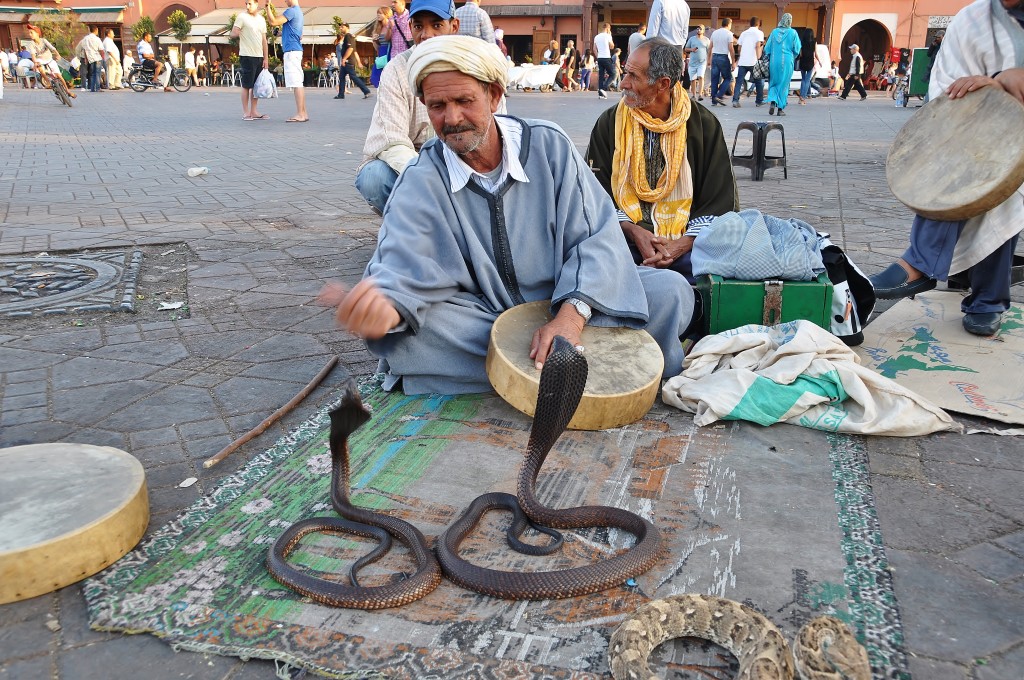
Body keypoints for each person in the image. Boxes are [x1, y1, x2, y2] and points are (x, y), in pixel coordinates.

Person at [324, 34, 694, 394]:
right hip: (485, 318)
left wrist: (570, 318)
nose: (452, 118)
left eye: (465, 101)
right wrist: (383, 309)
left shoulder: (550, 146)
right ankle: (577, 369)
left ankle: (521, 368)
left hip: (568, 299)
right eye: (437, 106)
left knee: (670, 292)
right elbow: (399, 266)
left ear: (495, 96)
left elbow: (596, 237)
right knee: (412, 336)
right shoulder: (419, 180)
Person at [869, 0, 1024, 337]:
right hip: (979, 134)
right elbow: (947, 86)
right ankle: (934, 270)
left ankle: (984, 297)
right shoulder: (974, 18)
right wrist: (984, 93)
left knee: (1006, 187)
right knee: (967, 170)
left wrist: (1010, 81)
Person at [585, 36, 739, 283]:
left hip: (687, 244)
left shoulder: (703, 125)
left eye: (633, 77)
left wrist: (681, 244)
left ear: (662, 84)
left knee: (721, 265)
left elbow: (719, 201)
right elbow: (593, 195)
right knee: (592, 260)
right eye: (625, 73)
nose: (623, 83)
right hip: (623, 239)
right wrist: (634, 231)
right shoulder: (610, 122)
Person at [354, 0, 475, 214]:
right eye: (419, 26)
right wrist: (428, 177)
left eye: (437, 25)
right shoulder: (397, 70)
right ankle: (415, 227)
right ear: (410, 28)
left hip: (463, 158)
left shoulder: (473, 66)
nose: (426, 35)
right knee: (374, 177)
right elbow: (392, 141)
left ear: (454, 26)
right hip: (414, 164)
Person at [268, 0, 308, 122]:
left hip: (291, 51)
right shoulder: (299, 13)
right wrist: (281, 33)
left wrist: (267, 6)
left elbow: (273, 21)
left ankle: (300, 114)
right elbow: (298, 35)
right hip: (295, 50)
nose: (285, 1)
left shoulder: (291, 11)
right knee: (298, 82)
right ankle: (304, 113)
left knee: (296, 83)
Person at [231, 0, 269, 120]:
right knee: (247, 85)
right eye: (246, 3)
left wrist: (266, 58)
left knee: (256, 86)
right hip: (247, 55)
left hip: (258, 56)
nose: (247, 6)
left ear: (256, 4)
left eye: (250, 4)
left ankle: (254, 111)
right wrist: (235, 33)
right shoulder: (242, 17)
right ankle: (246, 112)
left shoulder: (261, 19)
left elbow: (264, 40)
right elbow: (233, 33)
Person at [763, 14, 801, 115]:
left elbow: (767, 48)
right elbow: (797, 49)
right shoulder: (793, 33)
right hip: (787, 61)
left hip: (774, 61)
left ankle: (772, 101)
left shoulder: (774, 32)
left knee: (774, 82)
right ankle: (780, 109)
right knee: (784, 84)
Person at [26, 24, 74, 96]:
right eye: (29, 33)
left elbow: (52, 48)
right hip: (40, 60)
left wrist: (58, 55)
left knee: (59, 76)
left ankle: (67, 91)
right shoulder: (31, 44)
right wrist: (35, 62)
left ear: (37, 33)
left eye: (31, 32)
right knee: (40, 68)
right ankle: (47, 81)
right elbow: (33, 55)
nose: (30, 34)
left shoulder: (44, 41)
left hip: (49, 59)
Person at [731, 17, 764, 107]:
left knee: (739, 82)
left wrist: (742, 56)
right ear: (758, 24)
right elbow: (758, 46)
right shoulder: (759, 33)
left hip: (743, 61)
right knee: (758, 81)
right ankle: (759, 101)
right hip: (753, 61)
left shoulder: (744, 33)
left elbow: (739, 48)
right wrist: (759, 59)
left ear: (750, 24)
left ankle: (735, 100)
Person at [335, 22, 372, 99]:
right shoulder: (348, 37)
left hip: (348, 61)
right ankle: (341, 94)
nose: (341, 28)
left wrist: (344, 59)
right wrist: (359, 62)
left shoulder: (348, 36)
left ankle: (366, 91)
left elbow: (351, 49)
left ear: (347, 28)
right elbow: (355, 51)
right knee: (341, 77)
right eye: (340, 27)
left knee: (353, 77)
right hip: (346, 61)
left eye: (342, 27)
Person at [708, 18, 734, 105]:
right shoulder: (729, 34)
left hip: (714, 56)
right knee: (728, 78)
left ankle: (713, 100)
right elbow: (731, 48)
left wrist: (709, 59)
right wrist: (733, 61)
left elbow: (710, 47)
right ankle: (718, 95)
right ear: (729, 24)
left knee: (714, 79)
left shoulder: (715, 32)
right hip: (723, 57)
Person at [370, 6, 394, 87]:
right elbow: (376, 48)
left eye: (380, 13)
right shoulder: (378, 28)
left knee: (388, 77)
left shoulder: (391, 25)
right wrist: (374, 40)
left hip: (390, 52)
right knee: (375, 77)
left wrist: (390, 29)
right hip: (381, 53)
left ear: (387, 14)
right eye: (377, 13)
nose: (378, 15)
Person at [684, 25, 709, 100]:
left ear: (703, 30)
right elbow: (686, 49)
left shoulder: (706, 40)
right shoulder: (692, 39)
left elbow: (709, 51)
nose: (699, 30)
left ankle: (700, 94)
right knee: (693, 79)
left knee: (701, 76)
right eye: (697, 28)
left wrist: (709, 60)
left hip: (702, 62)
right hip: (692, 63)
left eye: (700, 29)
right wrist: (691, 49)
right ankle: (694, 95)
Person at [77, 26, 104, 92]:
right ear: (96, 30)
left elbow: (85, 50)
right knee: (97, 73)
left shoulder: (85, 39)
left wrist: (86, 59)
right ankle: (97, 88)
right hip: (97, 58)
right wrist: (102, 57)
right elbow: (101, 49)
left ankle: (92, 88)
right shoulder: (97, 39)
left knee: (92, 74)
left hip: (90, 58)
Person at [797, 29, 817, 104]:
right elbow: (816, 53)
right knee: (807, 80)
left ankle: (801, 97)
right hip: (810, 62)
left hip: (803, 62)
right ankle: (803, 97)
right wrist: (819, 61)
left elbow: (800, 54)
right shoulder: (814, 42)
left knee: (803, 79)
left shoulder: (801, 42)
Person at [595, 22, 614, 98]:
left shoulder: (596, 36)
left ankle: (601, 94)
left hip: (600, 58)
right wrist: (610, 35)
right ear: (608, 28)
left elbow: (594, 48)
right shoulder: (608, 36)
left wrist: (598, 56)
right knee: (612, 74)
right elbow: (612, 46)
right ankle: (604, 88)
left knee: (601, 75)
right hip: (606, 57)